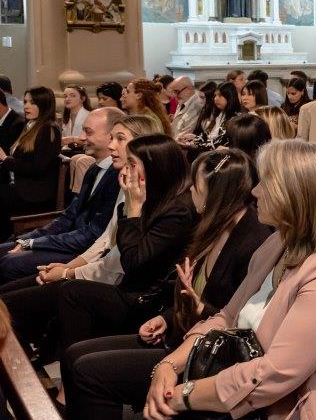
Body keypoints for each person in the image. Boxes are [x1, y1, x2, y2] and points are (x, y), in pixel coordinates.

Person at [104, 139, 316, 420]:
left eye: (266, 183)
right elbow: (225, 316)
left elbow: (276, 373)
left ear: (296, 195)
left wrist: (183, 394)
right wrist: (169, 366)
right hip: (242, 398)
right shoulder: (277, 244)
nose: (256, 191)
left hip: (291, 419)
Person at [62, 148, 272, 420]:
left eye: (196, 187)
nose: (190, 192)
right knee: (75, 356)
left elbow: (239, 328)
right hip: (182, 335)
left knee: (89, 372)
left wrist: (197, 307)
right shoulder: (213, 227)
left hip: (208, 359)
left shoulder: (253, 241)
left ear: (215, 194)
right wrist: (167, 316)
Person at [33, 135, 193, 360]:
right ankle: (51, 361)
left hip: (147, 300)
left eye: (132, 164)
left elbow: (133, 262)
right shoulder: (153, 197)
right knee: (58, 292)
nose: (126, 171)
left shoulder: (177, 210)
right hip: (129, 286)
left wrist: (133, 208)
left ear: (155, 168)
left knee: (71, 292)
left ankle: (67, 371)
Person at [0, 108, 122, 282]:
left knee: (9, 263)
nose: (80, 138)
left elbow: (92, 235)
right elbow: (67, 216)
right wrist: (27, 239)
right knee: (5, 250)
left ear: (112, 136)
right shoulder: (95, 168)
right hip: (68, 242)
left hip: (83, 252)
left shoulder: (118, 177)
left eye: (88, 132)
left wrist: (35, 243)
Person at [0, 87, 62, 235]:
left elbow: (38, 168)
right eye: (26, 101)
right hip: (20, 186)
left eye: (33, 103)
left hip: (34, 193)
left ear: (44, 105)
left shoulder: (49, 129)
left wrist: (5, 159)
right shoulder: (30, 126)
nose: (26, 106)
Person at [188, 82, 242, 148]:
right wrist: (193, 139)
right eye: (215, 95)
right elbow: (206, 135)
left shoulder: (235, 117)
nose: (216, 99)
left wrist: (195, 144)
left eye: (220, 95)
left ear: (229, 96)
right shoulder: (219, 114)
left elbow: (219, 142)